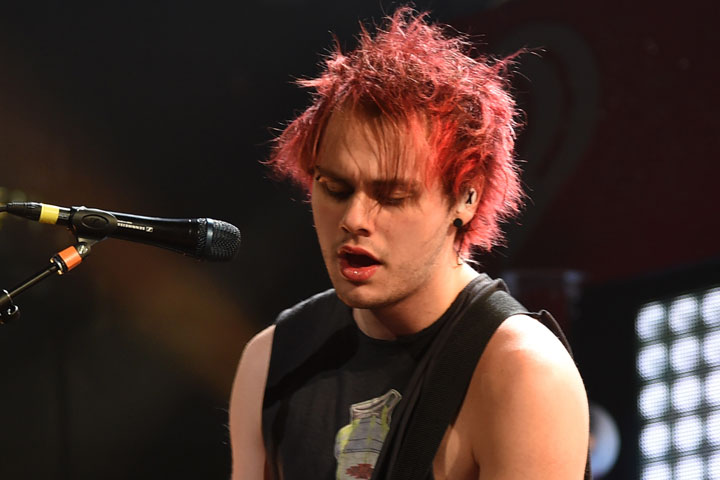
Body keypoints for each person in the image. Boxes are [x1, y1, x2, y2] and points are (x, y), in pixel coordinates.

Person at [229, 8, 589, 480]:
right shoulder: (271, 359)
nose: (354, 219)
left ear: (466, 197)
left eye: (392, 196)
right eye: (334, 188)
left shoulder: (523, 373)